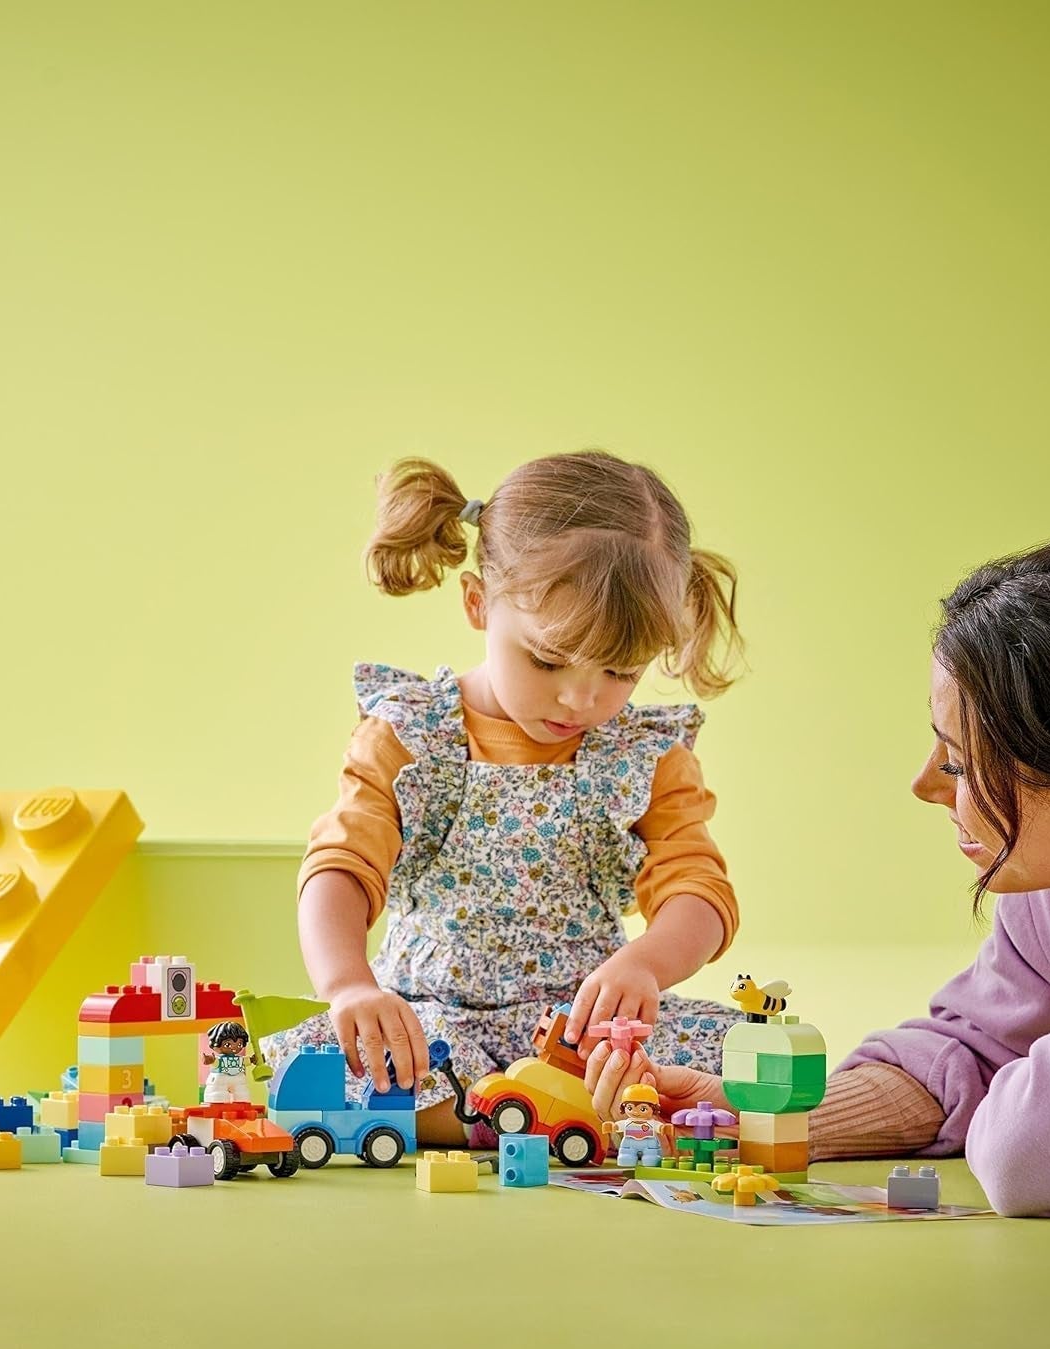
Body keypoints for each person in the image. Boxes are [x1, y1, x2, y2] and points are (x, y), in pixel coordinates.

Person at [587, 532, 1050, 1217]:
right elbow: (972, 1050)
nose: (923, 785)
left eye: (959, 764)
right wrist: (759, 1120)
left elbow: (1028, 1153)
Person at [274, 451, 746, 1147]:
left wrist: (645, 963)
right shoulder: (413, 734)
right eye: (548, 660)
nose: (582, 699)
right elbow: (341, 866)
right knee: (314, 1072)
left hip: (580, 1036)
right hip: (433, 1024)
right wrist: (349, 985)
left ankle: (542, 1114)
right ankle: (542, 1121)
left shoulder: (644, 755)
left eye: (620, 670)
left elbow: (698, 891)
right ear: (477, 603)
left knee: (737, 1063)